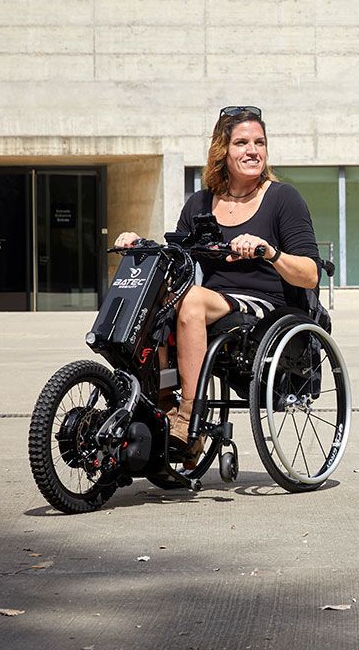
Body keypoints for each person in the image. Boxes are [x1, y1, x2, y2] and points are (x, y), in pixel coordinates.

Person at [115, 106, 320, 465]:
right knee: (156, 295)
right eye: (241, 142)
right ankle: (161, 401)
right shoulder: (200, 202)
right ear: (221, 150)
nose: (252, 150)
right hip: (214, 301)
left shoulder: (282, 199)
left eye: (259, 142)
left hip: (264, 306)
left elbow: (310, 273)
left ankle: (188, 418)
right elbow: (176, 257)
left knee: (191, 301)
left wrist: (270, 253)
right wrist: (139, 243)